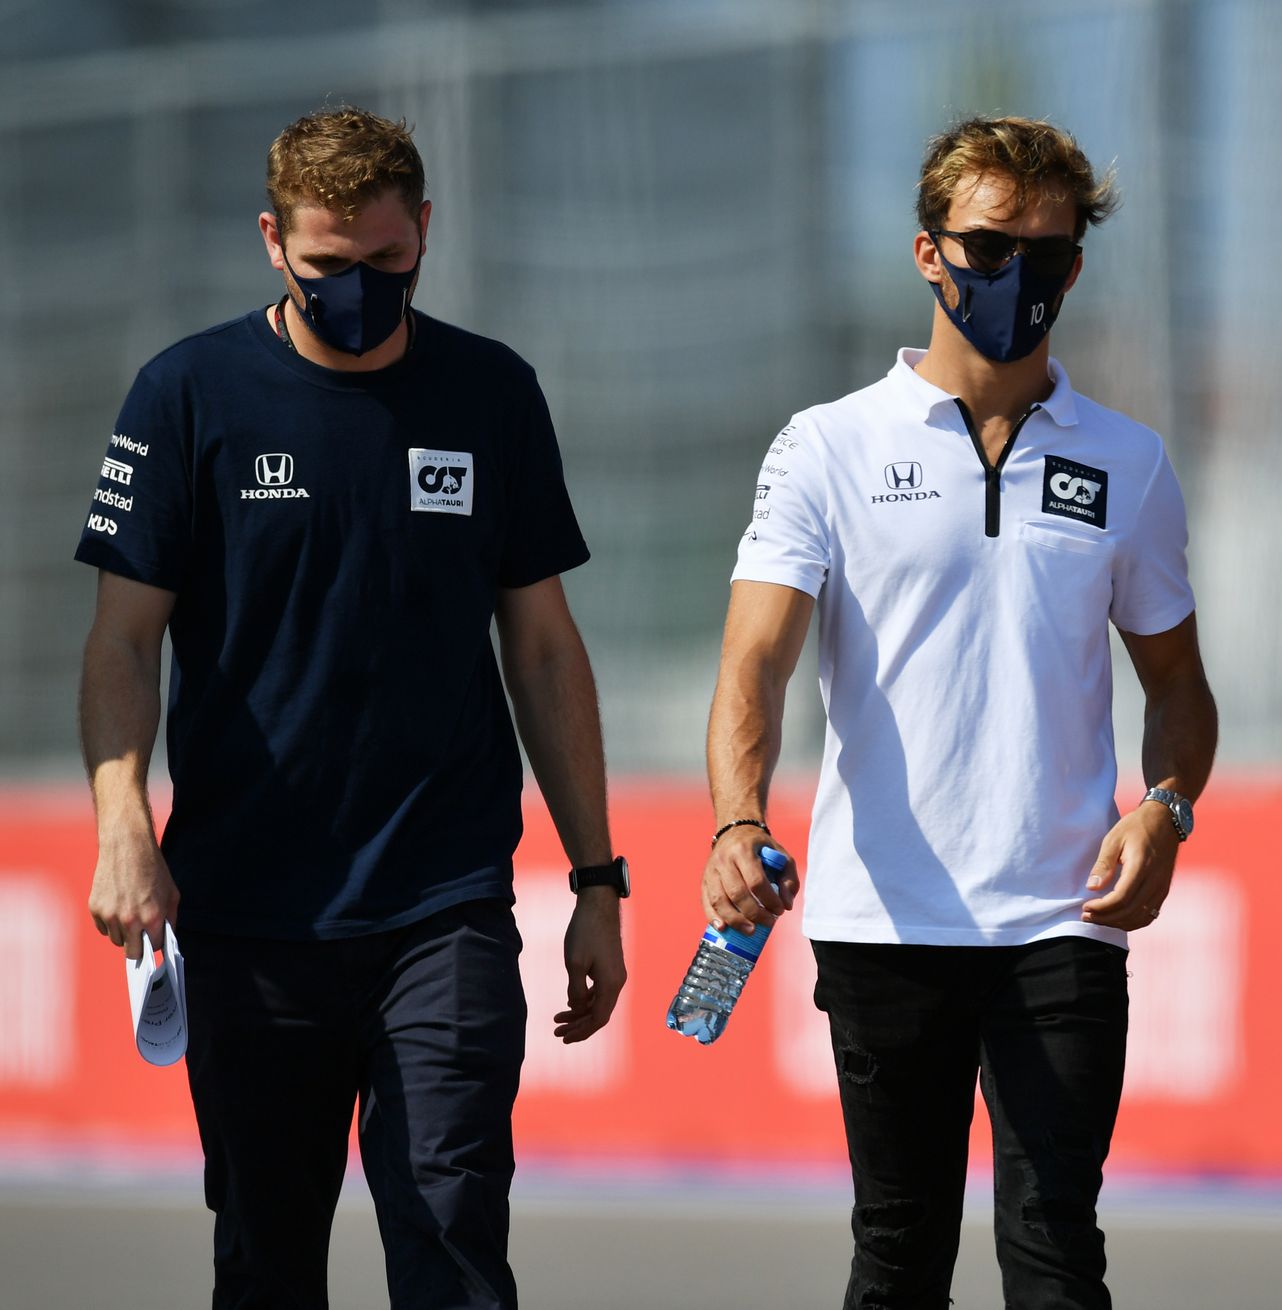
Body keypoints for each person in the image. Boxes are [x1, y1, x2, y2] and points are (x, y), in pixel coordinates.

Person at [76, 106, 628, 1309]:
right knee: (265, 1266)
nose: (362, 289)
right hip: (246, 910)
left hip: (444, 905)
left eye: (389, 260)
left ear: (425, 229)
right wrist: (122, 822)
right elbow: (122, 639)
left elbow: (543, 649)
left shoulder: (492, 393)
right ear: (272, 240)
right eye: (330, 264)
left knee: (454, 1243)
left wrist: (598, 879)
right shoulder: (186, 394)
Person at [702, 115, 1217, 1309]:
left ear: (1075, 267)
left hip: (1064, 915)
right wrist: (737, 819)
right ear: (928, 251)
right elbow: (754, 664)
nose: (1014, 275)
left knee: (1056, 1254)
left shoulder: (1130, 460)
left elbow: (1179, 686)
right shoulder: (826, 445)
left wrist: (1167, 808)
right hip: (883, 918)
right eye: (989, 247)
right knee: (898, 1252)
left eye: (1046, 252)